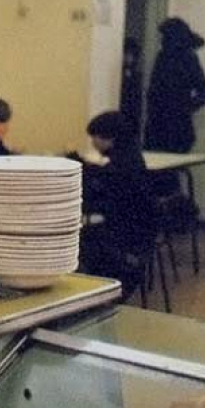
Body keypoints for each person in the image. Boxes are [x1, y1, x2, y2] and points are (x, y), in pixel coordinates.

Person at [79, 111, 156, 299]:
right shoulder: (129, 156)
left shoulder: (121, 166)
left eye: (95, 137)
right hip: (137, 231)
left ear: (109, 137)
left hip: (125, 236)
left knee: (81, 242)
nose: (93, 143)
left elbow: (104, 192)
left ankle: (92, 292)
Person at [145, 17, 205, 154]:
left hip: (175, 125)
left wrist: (183, 107)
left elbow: (204, 93)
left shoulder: (187, 58)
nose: (162, 40)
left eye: (165, 37)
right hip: (160, 122)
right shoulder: (163, 57)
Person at [120, 37, 143, 138]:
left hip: (133, 112)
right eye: (127, 54)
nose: (129, 58)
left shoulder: (136, 74)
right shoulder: (119, 73)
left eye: (131, 54)